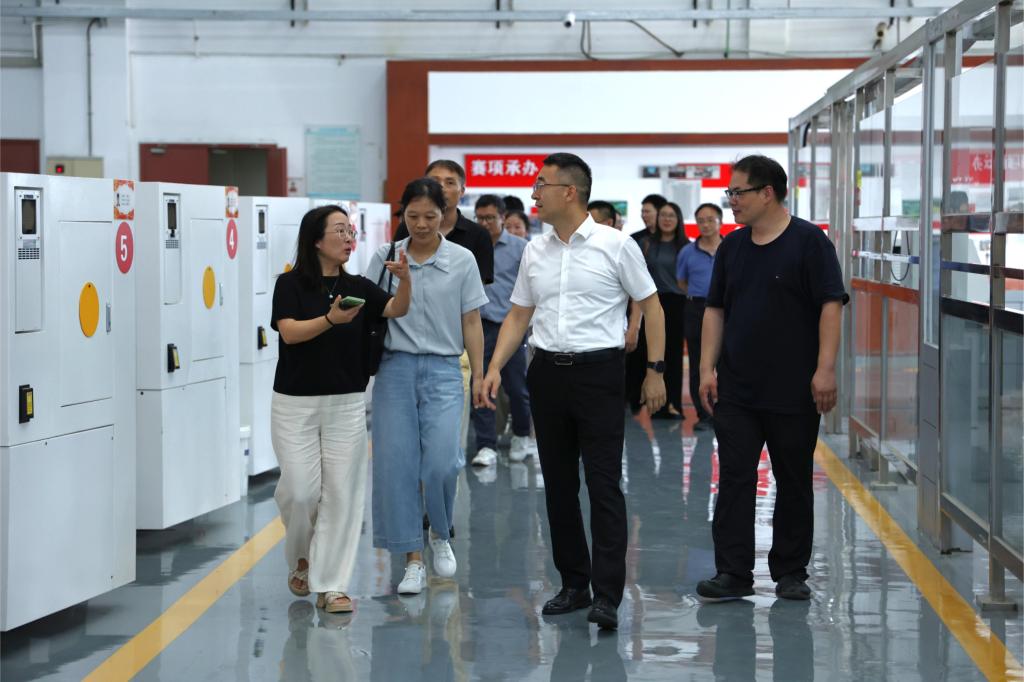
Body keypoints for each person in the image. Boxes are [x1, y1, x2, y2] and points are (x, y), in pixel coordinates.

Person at [478, 152, 667, 631]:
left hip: (599, 374)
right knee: (559, 485)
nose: (534, 193)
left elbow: (652, 306)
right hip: (547, 374)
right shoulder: (534, 251)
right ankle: (573, 584)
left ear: (569, 192)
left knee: (603, 484)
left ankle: (608, 593)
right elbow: (518, 314)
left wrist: (655, 370)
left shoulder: (615, 245)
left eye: (541, 184)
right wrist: (494, 366)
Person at [696, 155, 847, 603]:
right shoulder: (732, 247)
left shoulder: (809, 242)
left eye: (737, 192)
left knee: (793, 478)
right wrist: (705, 368)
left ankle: (791, 571)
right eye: (730, 192)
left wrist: (825, 368)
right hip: (737, 387)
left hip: (794, 388)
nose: (731, 200)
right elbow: (715, 309)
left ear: (767, 193)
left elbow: (830, 305)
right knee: (734, 478)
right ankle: (733, 572)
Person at [270, 205, 411, 613]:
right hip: (294, 404)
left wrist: (406, 281)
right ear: (316, 240)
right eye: (340, 231)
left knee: (341, 496)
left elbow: (396, 309)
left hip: (346, 403)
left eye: (351, 231)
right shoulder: (290, 284)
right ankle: (301, 556)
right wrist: (330, 320)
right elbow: (290, 333)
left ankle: (331, 585)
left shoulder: (359, 285)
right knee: (300, 492)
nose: (350, 238)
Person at [367, 177, 488, 595]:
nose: (420, 224)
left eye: (430, 216)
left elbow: (471, 320)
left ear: (445, 215)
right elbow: (370, 311)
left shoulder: (462, 260)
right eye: (413, 216)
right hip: (394, 370)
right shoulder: (385, 257)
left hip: (444, 369)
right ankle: (412, 559)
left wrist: (480, 373)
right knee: (396, 465)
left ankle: (440, 530)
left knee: (442, 461)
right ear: (402, 214)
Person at [469, 195, 536, 466]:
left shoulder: (522, 248)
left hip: (510, 327)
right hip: (477, 325)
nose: (485, 223)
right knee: (480, 385)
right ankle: (486, 445)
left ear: (502, 217)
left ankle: (521, 434)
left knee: (516, 388)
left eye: (490, 218)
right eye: (480, 218)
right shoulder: (471, 246)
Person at [676, 203, 723, 431]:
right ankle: (704, 415)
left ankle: (726, 412)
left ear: (720, 221)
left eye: (710, 219)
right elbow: (681, 282)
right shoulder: (687, 252)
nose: (705, 224)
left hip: (726, 310)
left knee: (727, 363)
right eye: (701, 220)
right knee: (698, 363)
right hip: (696, 309)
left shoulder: (730, 248)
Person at [641, 201, 690, 418]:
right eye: (663, 215)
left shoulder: (686, 246)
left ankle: (674, 403)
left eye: (671, 215)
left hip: (678, 303)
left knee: (674, 353)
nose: (667, 219)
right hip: (652, 302)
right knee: (653, 353)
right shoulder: (647, 244)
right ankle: (655, 403)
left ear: (678, 219)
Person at [626, 193, 670, 409]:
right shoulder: (636, 240)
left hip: (666, 302)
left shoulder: (672, 240)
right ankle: (634, 399)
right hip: (638, 302)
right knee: (636, 352)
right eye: (642, 211)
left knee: (662, 351)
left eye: (647, 211)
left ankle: (665, 401)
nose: (644, 215)